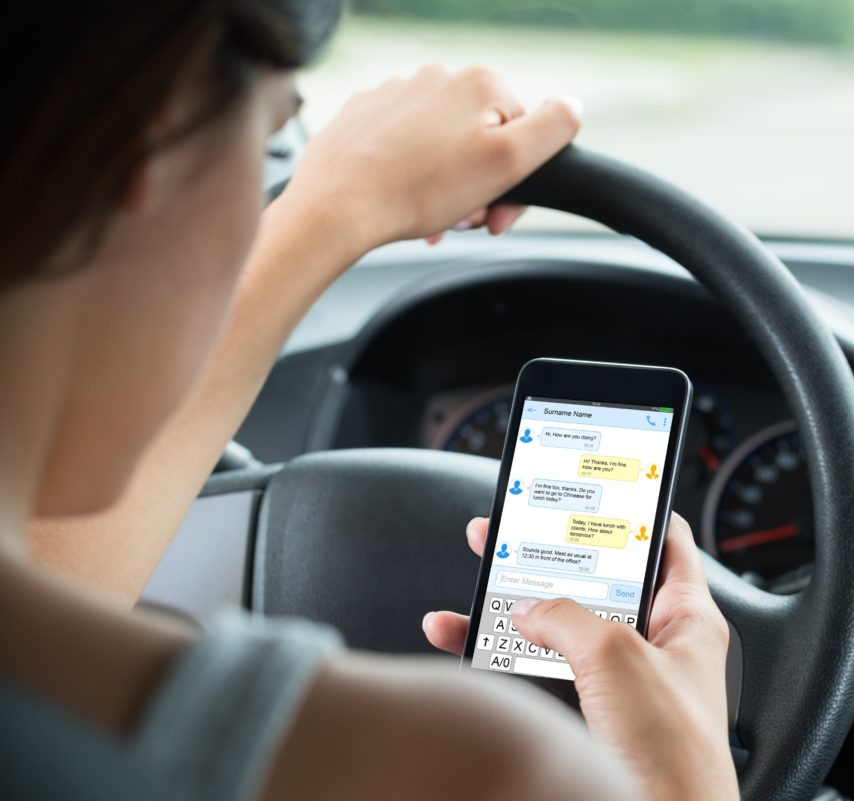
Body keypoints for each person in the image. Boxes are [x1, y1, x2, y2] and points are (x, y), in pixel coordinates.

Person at [0, 3, 739, 801]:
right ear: (156, 147)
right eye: (270, 141)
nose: (274, 183)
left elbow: (48, 584)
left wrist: (332, 209)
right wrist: (679, 778)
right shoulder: (483, 770)